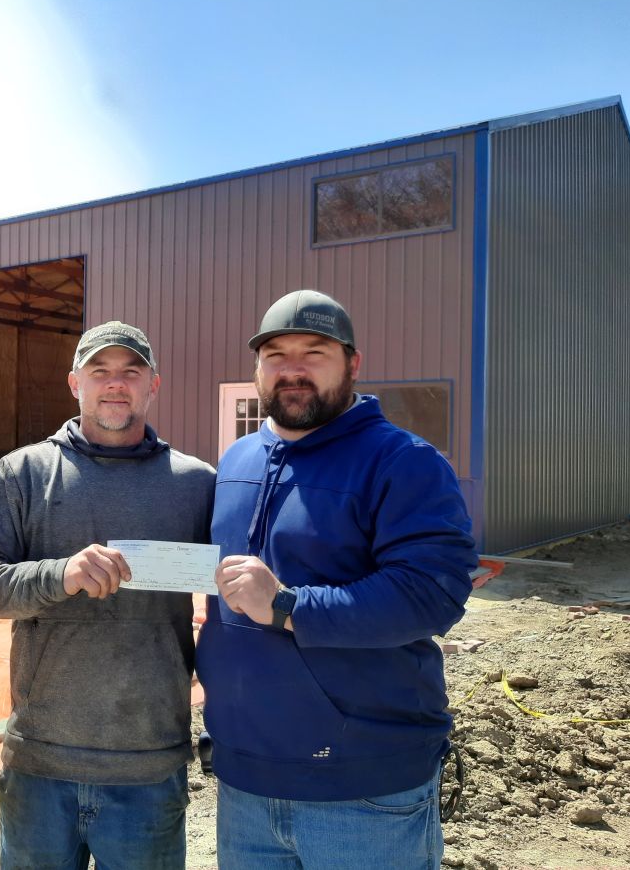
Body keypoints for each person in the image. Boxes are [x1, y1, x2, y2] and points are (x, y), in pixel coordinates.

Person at [195, 290, 476, 869]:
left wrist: (290, 604)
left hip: (363, 786)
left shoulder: (402, 461)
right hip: (245, 779)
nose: (292, 368)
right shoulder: (237, 461)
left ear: (353, 363)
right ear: (257, 369)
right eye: (275, 354)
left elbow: (433, 592)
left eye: (314, 351)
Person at [0, 320, 216, 870]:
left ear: (153, 385)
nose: (114, 384)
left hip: (148, 768)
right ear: (75, 383)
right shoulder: (23, 473)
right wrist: (59, 574)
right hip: (40, 763)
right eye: (100, 371)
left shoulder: (195, 483)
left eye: (130, 372)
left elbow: (233, 606)